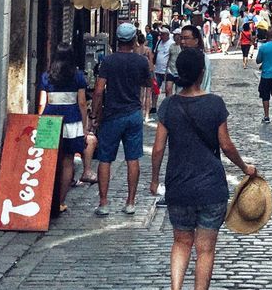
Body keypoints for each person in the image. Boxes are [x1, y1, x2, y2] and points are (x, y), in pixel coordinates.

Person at [150, 48, 256, 290]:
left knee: (180, 241)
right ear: (201, 73)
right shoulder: (214, 104)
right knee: (205, 250)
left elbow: (158, 147)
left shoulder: (169, 106)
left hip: (178, 185)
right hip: (210, 185)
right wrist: (244, 167)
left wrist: (154, 179)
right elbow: (226, 144)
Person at [92, 23, 152, 216]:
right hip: (133, 113)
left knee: (105, 159)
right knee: (132, 158)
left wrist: (95, 114)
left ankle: (103, 203)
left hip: (112, 114)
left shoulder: (109, 61)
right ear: (134, 40)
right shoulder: (141, 61)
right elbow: (147, 83)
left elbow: (99, 90)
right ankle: (131, 202)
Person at [38, 45, 88, 213]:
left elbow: (42, 103)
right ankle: (59, 202)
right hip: (72, 121)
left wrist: (39, 122)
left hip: (50, 121)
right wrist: (85, 126)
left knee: (48, 161)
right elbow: (81, 102)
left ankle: (45, 200)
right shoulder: (78, 77)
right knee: (68, 161)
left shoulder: (46, 77)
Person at [179, 22, 212, 93]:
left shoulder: (202, 58)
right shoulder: (181, 56)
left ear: (196, 41)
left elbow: (205, 83)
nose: (182, 41)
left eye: (186, 38)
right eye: (181, 38)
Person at [152, 26, 172, 110]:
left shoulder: (171, 43)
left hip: (168, 71)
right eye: (161, 34)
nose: (161, 36)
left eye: (163, 34)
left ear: (167, 35)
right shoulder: (159, 42)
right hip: (158, 69)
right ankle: (153, 106)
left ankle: (168, 105)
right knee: (155, 88)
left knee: (168, 89)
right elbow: (155, 53)